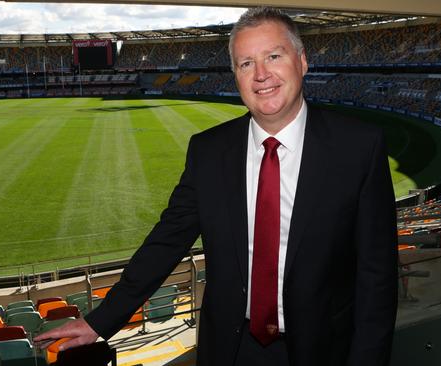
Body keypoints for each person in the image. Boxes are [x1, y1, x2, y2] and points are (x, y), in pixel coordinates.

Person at [35, 7, 398, 366]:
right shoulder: (208, 151)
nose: (261, 75)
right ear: (235, 76)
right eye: (245, 64)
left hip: (323, 350)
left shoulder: (359, 148)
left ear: (302, 61)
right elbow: (166, 241)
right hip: (230, 349)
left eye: (273, 56)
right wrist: (101, 320)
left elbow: (377, 278)